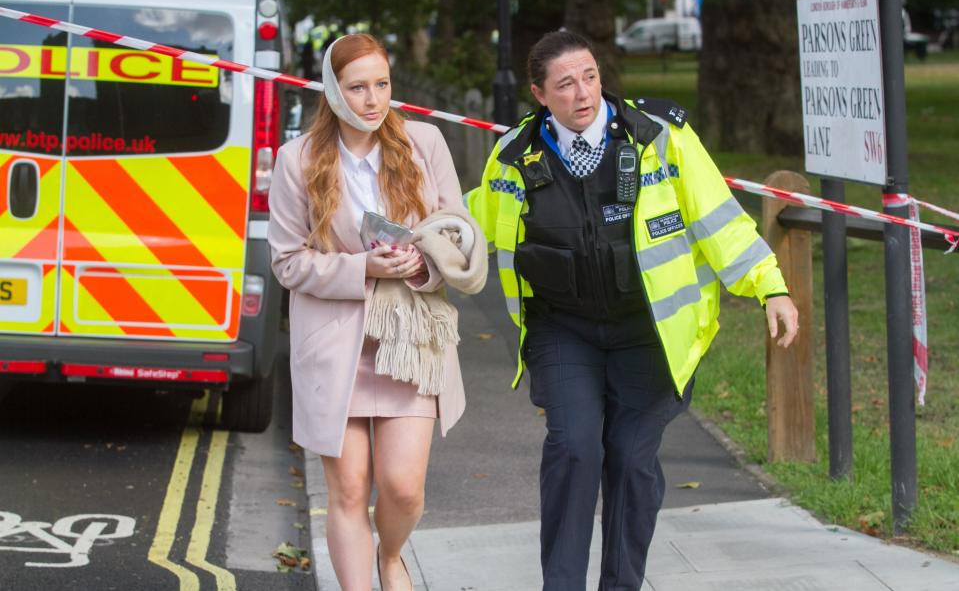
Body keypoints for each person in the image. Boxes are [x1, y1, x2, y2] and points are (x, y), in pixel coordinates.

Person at [466, 30, 799, 590]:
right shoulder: (512, 156)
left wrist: (771, 287)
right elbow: (472, 226)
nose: (584, 93)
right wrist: (426, 247)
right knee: (573, 449)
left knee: (628, 456)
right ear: (540, 94)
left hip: (650, 333)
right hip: (562, 329)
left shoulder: (660, 138)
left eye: (590, 76)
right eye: (566, 84)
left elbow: (717, 218)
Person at [268, 34, 471, 591]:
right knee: (350, 490)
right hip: (337, 345)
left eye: (381, 84)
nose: (373, 99)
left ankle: (391, 557)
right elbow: (287, 263)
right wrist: (363, 270)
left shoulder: (424, 142)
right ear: (333, 91)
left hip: (410, 340)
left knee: (403, 487)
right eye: (358, 88)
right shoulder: (298, 158)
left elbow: (457, 235)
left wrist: (421, 263)